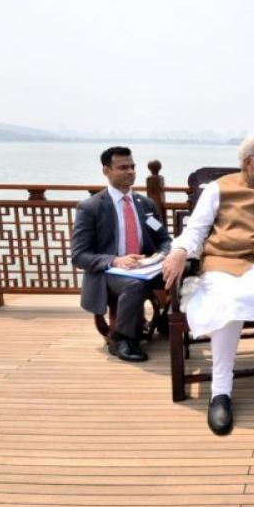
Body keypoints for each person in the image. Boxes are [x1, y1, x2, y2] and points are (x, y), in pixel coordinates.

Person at [161, 135, 254, 436]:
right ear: (248, 163)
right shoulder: (218, 189)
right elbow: (196, 230)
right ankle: (221, 391)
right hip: (223, 263)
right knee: (228, 303)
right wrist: (179, 251)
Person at [71, 146, 171, 363]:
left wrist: (161, 256)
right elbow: (79, 255)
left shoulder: (146, 205)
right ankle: (121, 339)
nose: (130, 172)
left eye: (133, 166)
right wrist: (116, 260)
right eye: (123, 167)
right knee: (134, 285)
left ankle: (166, 321)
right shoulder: (90, 208)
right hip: (110, 272)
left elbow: (164, 238)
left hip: (145, 267)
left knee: (186, 271)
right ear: (106, 170)